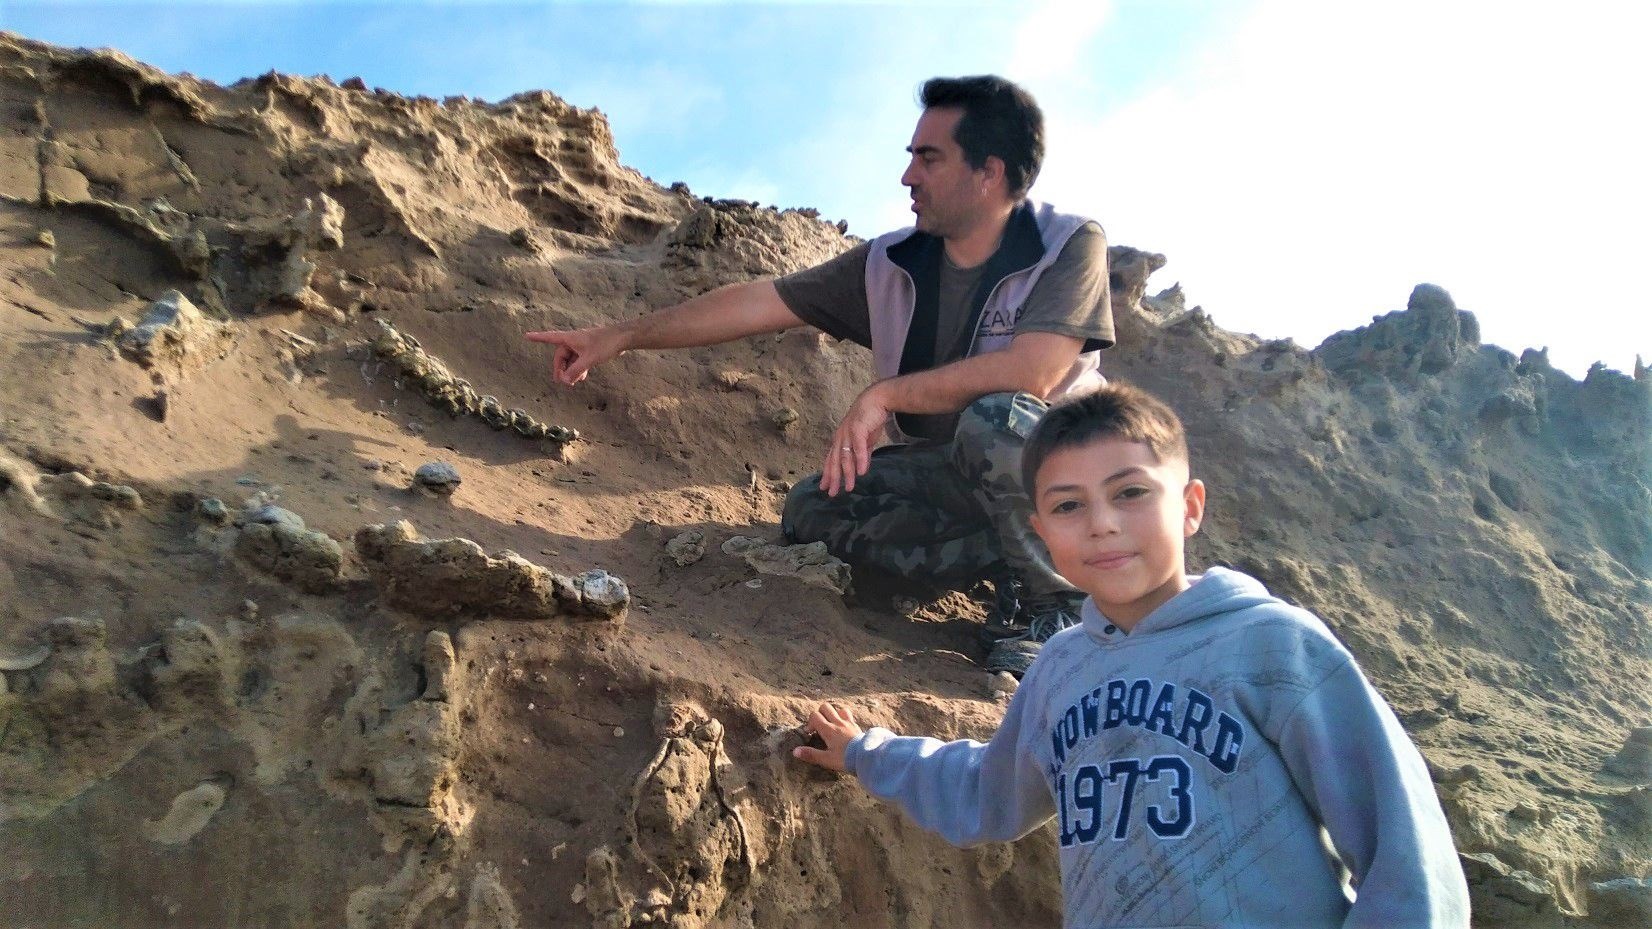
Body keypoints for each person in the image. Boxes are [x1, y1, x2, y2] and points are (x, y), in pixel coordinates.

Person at [792, 383, 1471, 928]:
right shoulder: (1060, 670)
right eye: (1068, 506)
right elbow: (987, 792)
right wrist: (866, 753)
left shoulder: (1274, 647)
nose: (1102, 523)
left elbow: (1409, 861)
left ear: (1191, 506)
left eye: (1131, 493)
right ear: (1038, 533)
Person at [526, 75, 1115, 673]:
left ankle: (1065, 606)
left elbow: (1034, 373)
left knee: (996, 418)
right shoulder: (892, 262)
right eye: (910, 157)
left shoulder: (1067, 243)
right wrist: (622, 335)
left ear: (988, 173)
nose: (907, 177)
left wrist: (885, 395)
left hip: (1064, 474)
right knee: (815, 509)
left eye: (929, 159)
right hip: (953, 477)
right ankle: (1005, 559)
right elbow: (759, 303)